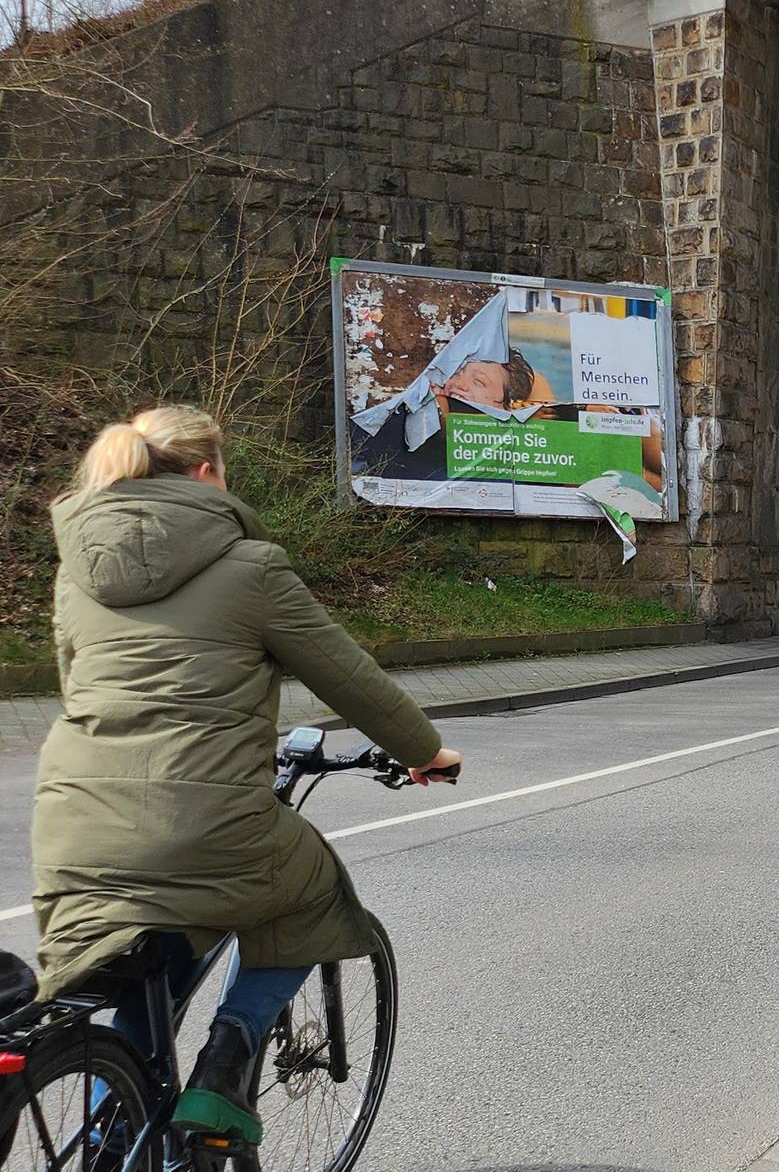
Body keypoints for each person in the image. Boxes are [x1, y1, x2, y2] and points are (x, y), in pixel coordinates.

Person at [31, 405, 463, 1148]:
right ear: (207, 473)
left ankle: (115, 1129)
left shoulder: (78, 569)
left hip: (72, 832)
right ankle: (226, 1064)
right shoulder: (251, 567)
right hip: (203, 826)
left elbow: (80, 687)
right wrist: (424, 750)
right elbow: (349, 680)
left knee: (149, 957)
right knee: (314, 886)